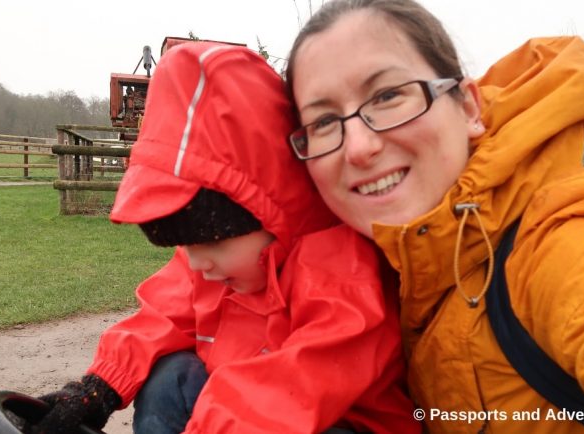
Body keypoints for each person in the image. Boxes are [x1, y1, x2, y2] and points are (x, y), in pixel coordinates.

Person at [284, 1, 584, 433]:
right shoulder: (394, 271)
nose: (358, 147)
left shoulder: (564, 237)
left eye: (388, 96)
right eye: (325, 121)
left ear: (467, 108)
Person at [31, 43, 420, 434]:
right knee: (172, 378)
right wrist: (98, 388)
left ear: (273, 213)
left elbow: (293, 388)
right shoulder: (214, 265)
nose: (197, 262)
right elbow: (160, 317)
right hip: (235, 419)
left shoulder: (344, 275)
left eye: (212, 242)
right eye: (185, 245)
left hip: (340, 424)